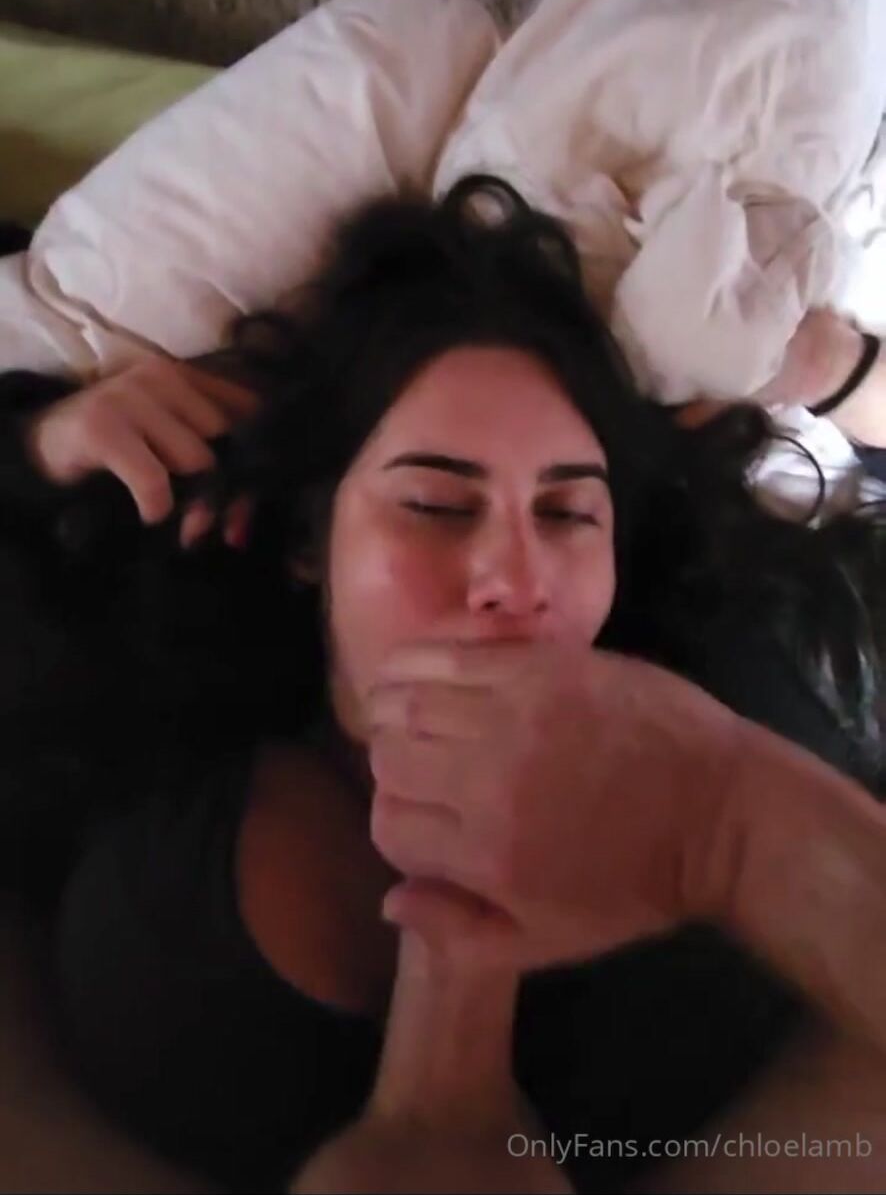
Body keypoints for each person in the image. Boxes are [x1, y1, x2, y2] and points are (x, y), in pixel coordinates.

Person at [1, 175, 885, 1194]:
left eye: (568, 514)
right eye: (434, 505)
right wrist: (32, 450)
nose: (514, 579)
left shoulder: (765, 702)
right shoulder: (160, 884)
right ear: (310, 541)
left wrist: (735, 827)